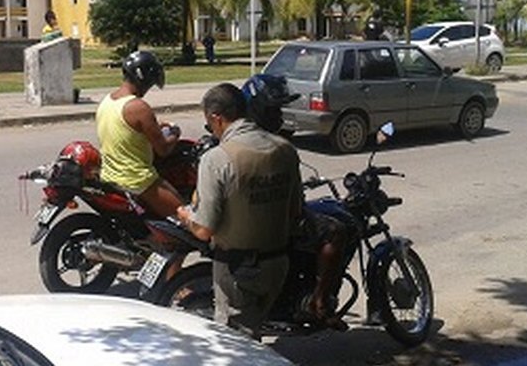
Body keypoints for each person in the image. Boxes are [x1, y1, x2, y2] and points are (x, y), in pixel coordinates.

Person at [176, 83, 302, 338]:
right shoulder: (285, 149)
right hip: (277, 264)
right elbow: (294, 212)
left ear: (216, 118)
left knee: (237, 348)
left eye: (209, 123)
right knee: (255, 330)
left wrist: (185, 216)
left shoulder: (217, 159)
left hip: (238, 270)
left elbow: (204, 229)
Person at [242, 73, 349, 330]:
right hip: (272, 223)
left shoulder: (231, 139)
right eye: (274, 109)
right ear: (259, 110)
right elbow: (294, 201)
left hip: (244, 221)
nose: (279, 115)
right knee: (336, 231)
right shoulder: (279, 147)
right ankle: (318, 301)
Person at [96, 50, 182, 218]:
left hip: (110, 176)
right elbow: (163, 150)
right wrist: (175, 134)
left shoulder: (107, 101)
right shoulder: (138, 107)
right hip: (137, 180)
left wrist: (154, 127)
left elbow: (125, 132)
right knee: (187, 217)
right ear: (145, 80)